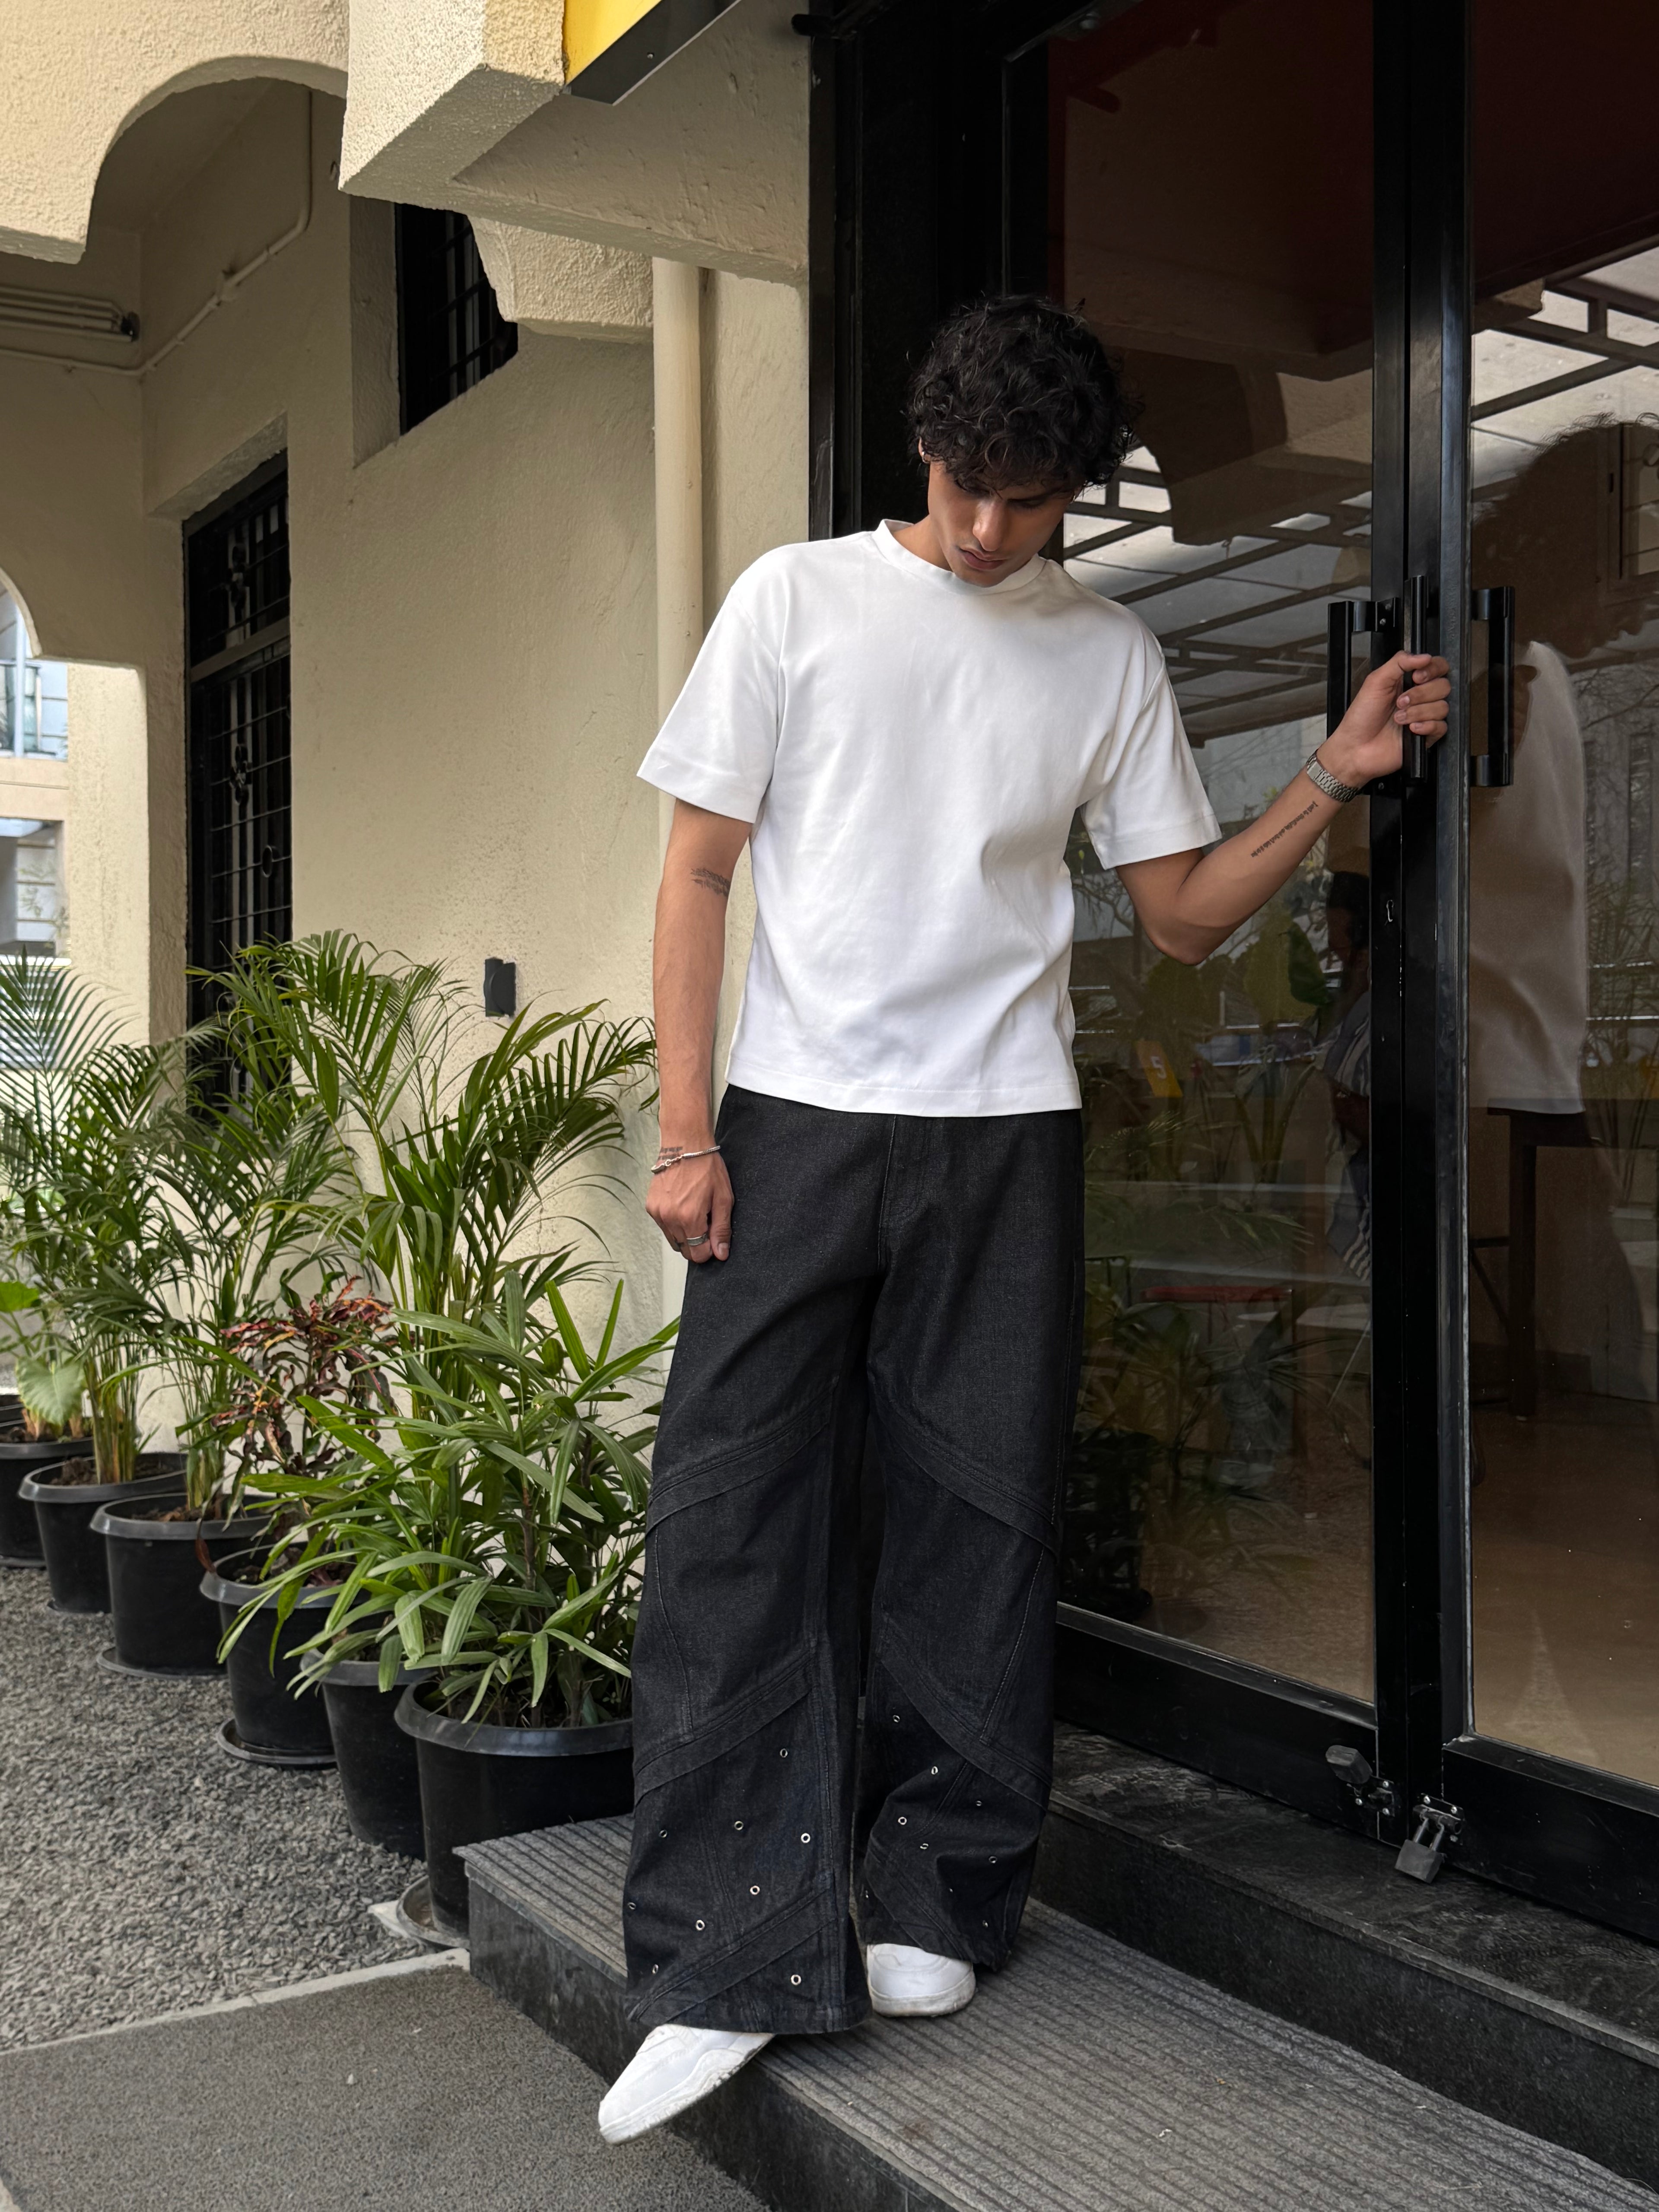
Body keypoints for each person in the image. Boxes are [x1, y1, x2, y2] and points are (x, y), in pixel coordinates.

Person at [597, 295, 1449, 2143]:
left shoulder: (1108, 653)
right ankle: (726, 1955)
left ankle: (940, 1887)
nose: (991, 530)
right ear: (930, 448)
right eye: (973, 488)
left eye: (1033, 500)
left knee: (980, 1506)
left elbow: (1181, 914)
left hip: (1005, 1128)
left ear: (1076, 491)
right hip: (798, 1119)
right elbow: (694, 869)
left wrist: (1326, 775)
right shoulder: (795, 601)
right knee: (734, 1500)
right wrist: (685, 1132)